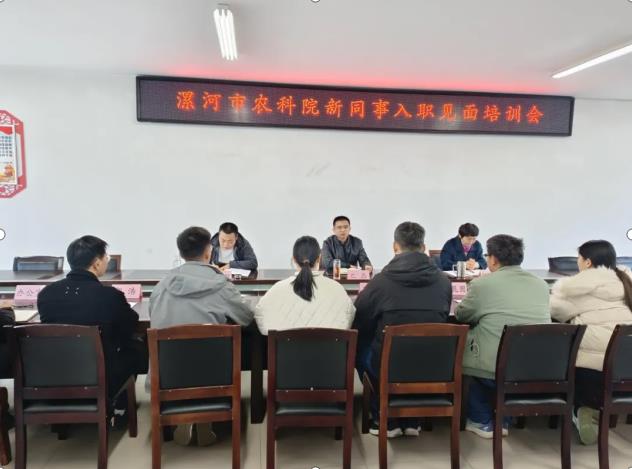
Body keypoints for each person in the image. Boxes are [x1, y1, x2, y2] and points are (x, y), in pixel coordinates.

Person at [150, 226, 254, 446]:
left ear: (181, 254)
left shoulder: (160, 287)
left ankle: (185, 412)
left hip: (169, 376)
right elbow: (245, 318)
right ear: (209, 252)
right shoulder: (221, 285)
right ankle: (205, 415)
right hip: (214, 376)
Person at [353, 221, 451, 438]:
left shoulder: (381, 282)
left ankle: (383, 415)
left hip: (389, 365)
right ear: (423, 247)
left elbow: (360, 319)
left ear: (395, 247)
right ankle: (412, 418)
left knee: (361, 348)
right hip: (433, 364)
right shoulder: (444, 282)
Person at [37, 235, 143, 427]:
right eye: (105, 257)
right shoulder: (110, 296)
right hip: (101, 376)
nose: (107, 260)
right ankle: (122, 406)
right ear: (96, 263)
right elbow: (129, 324)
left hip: (54, 374)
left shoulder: (46, 294)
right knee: (136, 348)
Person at [455, 234, 550, 439]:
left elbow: (462, 315)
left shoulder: (483, 285)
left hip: (494, 367)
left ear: (493, 259)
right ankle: (504, 418)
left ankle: (481, 420)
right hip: (534, 366)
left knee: (470, 354)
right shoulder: (541, 285)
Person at [550, 240, 632, 445]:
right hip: (627, 366)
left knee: (565, 352)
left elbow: (553, 312)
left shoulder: (576, 288)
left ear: (587, 262)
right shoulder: (626, 282)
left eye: (579, 258)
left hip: (591, 369)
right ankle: (592, 409)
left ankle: (580, 408)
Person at [254, 236, 355, 335]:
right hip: (331, 346)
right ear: (319, 259)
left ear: (294, 259)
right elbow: (348, 322)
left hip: (286, 346)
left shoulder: (277, 289)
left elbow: (262, 324)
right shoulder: (337, 289)